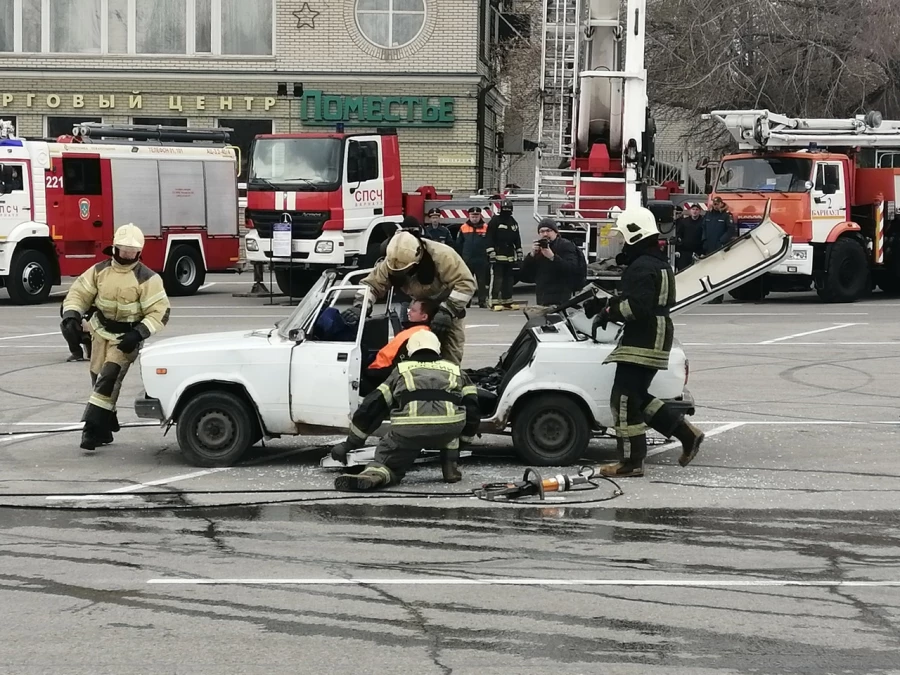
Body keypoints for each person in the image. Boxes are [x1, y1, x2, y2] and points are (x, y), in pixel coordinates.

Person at [583, 207, 704, 478]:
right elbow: (642, 299)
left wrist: (607, 312)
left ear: (634, 234)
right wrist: (605, 303)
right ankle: (686, 434)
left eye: (624, 236)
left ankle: (631, 462)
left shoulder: (642, 266)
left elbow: (636, 307)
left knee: (624, 399)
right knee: (636, 396)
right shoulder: (656, 262)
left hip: (645, 337)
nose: (622, 242)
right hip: (654, 334)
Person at [60, 224, 171, 452]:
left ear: (139, 252)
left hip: (125, 338)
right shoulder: (99, 271)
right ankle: (107, 427)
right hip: (99, 332)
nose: (128, 255)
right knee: (98, 379)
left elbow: (160, 311)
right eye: (124, 250)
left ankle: (91, 429)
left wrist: (138, 333)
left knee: (109, 377)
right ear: (114, 249)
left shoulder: (148, 279)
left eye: (132, 252)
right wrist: (71, 315)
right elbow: (79, 293)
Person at [330, 330, 481, 491]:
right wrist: (464, 441)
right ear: (438, 349)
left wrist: (351, 443)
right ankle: (450, 466)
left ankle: (375, 475)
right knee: (449, 424)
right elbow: (472, 407)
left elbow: (373, 406)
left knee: (387, 456)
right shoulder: (456, 370)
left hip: (409, 431)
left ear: (409, 350)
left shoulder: (401, 371)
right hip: (448, 431)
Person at [345, 230, 476, 365]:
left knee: (450, 356)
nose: (401, 273)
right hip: (420, 309)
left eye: (404, 270)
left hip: (447, 309)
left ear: (417, 258)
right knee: (413, 353)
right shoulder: (391, 261)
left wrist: (447, 311)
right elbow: (371, 285)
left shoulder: (442, 256)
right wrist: (361, 306)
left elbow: (465, 284)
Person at [366, 299, 437, 386]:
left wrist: (371, 373)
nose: (409, 313)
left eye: (413, 311)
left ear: (424, 317)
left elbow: (398, 367)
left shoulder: (418, 336)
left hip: (380, 375)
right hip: (379, 369)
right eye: (410, 309)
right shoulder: (414, 331)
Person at [520, 217, 580, 307]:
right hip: (542, 297)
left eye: (548, 230)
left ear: (556, 232)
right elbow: (524, 274)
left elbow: (571, 269)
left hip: (560, 297)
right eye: (542, 231)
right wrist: (531, 255)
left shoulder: (566, 245)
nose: (545, 234)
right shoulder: (538, 249)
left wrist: (552, 257)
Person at [485, 199, 523, 311]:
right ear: (501, 209)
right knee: (497, 279)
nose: (506, 211)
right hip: (497, 254)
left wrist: (519, 251)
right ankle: (493, 301)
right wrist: (491, 252)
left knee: (509, 279)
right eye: (504, 209)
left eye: (508, 209)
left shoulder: (513, 222)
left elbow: (517, 237)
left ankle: (507, 301)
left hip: (510, 255)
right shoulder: (495, 221)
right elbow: (489, 237)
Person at [455, 206, 491, 308]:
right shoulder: (463, 227)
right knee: (467, 282)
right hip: (468, 259)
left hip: (481, 258)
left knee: (482, 282)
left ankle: (482, 301)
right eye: (472, 216)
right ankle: (467, 301)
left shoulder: (485, 227)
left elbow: (489, 242)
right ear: (469, 216)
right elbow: (459, 244)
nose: (474, 218)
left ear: (480, 216)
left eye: (476, 216)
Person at [675, 202, 704, 271]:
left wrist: (703, 251)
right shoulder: (684, 222)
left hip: (698, 252)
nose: (695, 211)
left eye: (697, 209)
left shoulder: (703, 222)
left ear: (700, 211)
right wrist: (677, 250)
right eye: (693, 209)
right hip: (684, 252)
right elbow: (678, 235)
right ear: (690, 210)